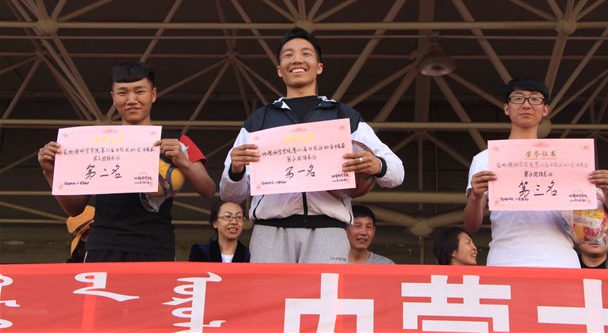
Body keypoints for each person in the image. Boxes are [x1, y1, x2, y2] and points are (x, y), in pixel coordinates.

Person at [220, 27, 404, 263]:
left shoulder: (343, 116)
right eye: (288, 55)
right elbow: (229, 193)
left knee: (324, 290)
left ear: (319, 67)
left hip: (329, 230)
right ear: (279, 70)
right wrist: (235, 170)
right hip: (270, 230)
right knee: (269, 290)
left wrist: (377, 165)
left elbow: (397, 172)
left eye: (306, 53)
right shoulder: (258, 121)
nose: (297, 59)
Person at [38, 61, 216, 262]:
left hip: (156, 245)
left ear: (153, 94)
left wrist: (184, 162)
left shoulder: (177, 141)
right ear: (113, 98)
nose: (132, 100)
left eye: (140, 91)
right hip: (104, 245)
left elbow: (209, 191)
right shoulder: (94, 141)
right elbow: (74, 209)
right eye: (123, 93)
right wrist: (50, 172)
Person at [463, 77, 608, 268]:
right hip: (506, 260)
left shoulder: (567, 156)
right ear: (506, 108)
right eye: (518, 98)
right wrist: (475, 196)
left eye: (535, 99)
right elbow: (471, 225)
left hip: (561, 261)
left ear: (545, 109)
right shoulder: (486, 158)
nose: (526, 105)